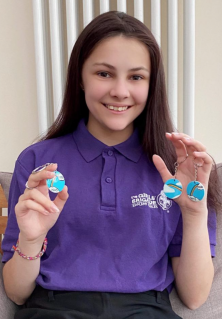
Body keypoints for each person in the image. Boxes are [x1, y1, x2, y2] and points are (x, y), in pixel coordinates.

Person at [1, 11, 220, 319]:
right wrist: (32, 238)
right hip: (55, 309)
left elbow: (195, 297)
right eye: (104, 73)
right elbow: (16, 292)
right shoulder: (37, 162)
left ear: (151, 84)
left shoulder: (180, 169)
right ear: (80, 76)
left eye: (136, 77)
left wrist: (194, 213)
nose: (120, 90)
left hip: (147, 310)